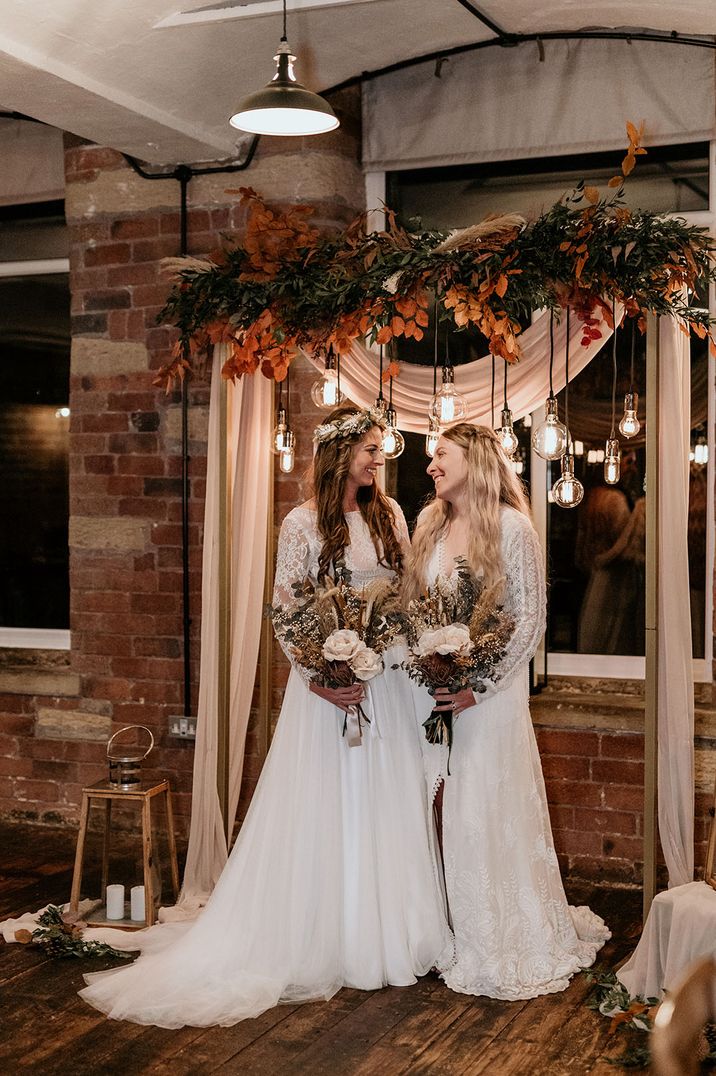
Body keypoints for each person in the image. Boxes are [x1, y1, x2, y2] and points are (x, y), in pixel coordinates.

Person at [79, 403, 452, 1028]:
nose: (378, 457)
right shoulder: (302, 523)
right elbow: (286, 612)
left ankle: (391, 932)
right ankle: (325, 932)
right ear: (339, 456)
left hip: (383, 680)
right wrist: (324, 677)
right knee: (328, 803)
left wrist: (405, 651)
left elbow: (406, 595)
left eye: (379, 448)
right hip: (330, 688)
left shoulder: (388, 516)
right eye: (368, 449)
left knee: (388, 800)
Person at [403, 422, 609, 1001]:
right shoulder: (430, 527)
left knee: (483, 805)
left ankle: (497, 932)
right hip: (439, 693)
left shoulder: (514, 529)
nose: (431, 466)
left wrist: (479, 686)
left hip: (489, 699)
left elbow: (528, 623)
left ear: (474, 458)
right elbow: (417, 607)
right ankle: (449, 926)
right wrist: (432, 669)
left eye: (440, 455)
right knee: (436, 804)